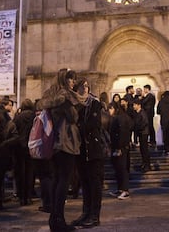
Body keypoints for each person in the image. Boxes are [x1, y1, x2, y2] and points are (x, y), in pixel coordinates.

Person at [37, 68, 82, 232]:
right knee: (63, 181)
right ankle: (58, 220)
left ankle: (54, 219)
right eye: (71, 79)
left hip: (54, 144)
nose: (73, 82)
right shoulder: (64, 97)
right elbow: (73, 117)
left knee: (57, 180)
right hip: (66, 143)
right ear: (65, 80)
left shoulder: (51, 95)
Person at [70, 79, 104, 228]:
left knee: (94, 183)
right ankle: (86, 212)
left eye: (85, 86)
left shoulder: (93, 103)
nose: (84, 89)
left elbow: (94, 124)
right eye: (81, 87)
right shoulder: (75, 104)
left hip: (93, 149)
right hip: (80, 149)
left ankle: (94, 216)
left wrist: (75, 127)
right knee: (84, 182)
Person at [13, 98, 36, 206]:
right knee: (30, 172)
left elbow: (14, 129)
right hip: (31, 145)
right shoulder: (34, 116)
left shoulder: (18, 116)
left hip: (19, 146)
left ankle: (21, 197)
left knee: (20, 172)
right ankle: (29, 196)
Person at [108, 102, 133, 200]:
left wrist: (119, 147)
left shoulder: (121, 118)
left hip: (121, 147)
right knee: (118, 169)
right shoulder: (119, 117)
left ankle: (125, 190)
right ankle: (120, 189)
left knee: (122, 169)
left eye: (110, 109)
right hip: (118, 146)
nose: (109, 111)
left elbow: (122, 133)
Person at [133, 99, 150, 171]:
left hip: (143, 133)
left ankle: (147, 165)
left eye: (134, 105)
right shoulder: (137, 113)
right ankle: (144, 163)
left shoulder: (142, 112)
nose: (133, 106)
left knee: (144, 149)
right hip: (141, 133)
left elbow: (145, 122)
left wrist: (139, 128)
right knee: (142, 149)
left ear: (139, 105)